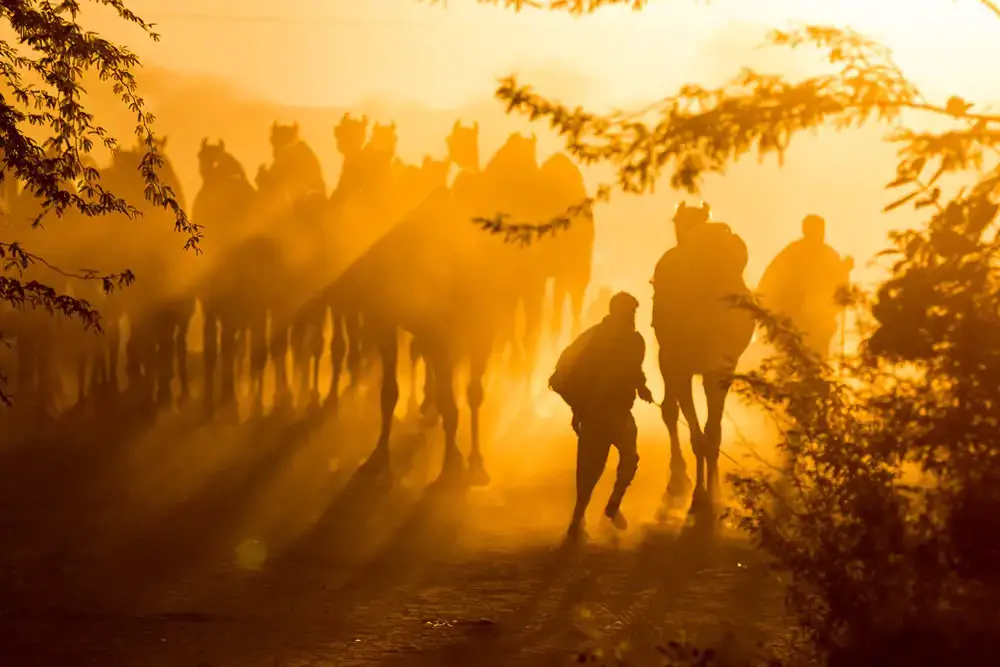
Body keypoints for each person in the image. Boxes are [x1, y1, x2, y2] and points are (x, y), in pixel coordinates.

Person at [549, 291, 655, 541]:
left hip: (606, 412)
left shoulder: (622, 339)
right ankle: (590, 514)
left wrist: (642, 388)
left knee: (603, 464)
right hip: (604, 412)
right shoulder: (604, 340)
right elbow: (574, 373)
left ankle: (593, 513)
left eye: (634, 312)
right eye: (630, 312)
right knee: (608, 464)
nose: (633, 317)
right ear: (619, 312)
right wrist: (579, 407)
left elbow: (634, 370)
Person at [756, 214, 854, 358]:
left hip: (818, 322)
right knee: (799, 360)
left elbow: (838, 285)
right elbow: (772, 283)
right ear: (806, 230)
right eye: (816, 230)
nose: (819, 234)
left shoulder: (825, 254)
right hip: (795, 319)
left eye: (820, 230)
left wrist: (844, 269)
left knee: (815, 361)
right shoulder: (794, 254)